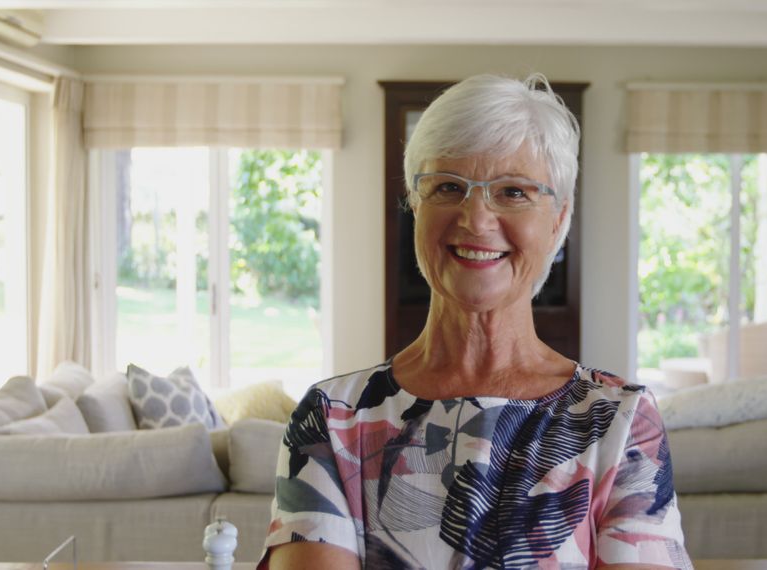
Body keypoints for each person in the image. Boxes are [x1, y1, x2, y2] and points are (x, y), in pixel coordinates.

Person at [261, 73, 693, 569]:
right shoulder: (333, 419)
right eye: (448, 186)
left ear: (558, 219)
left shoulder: (619, 422)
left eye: (512, 192)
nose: (476, 218)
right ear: (415, 205)